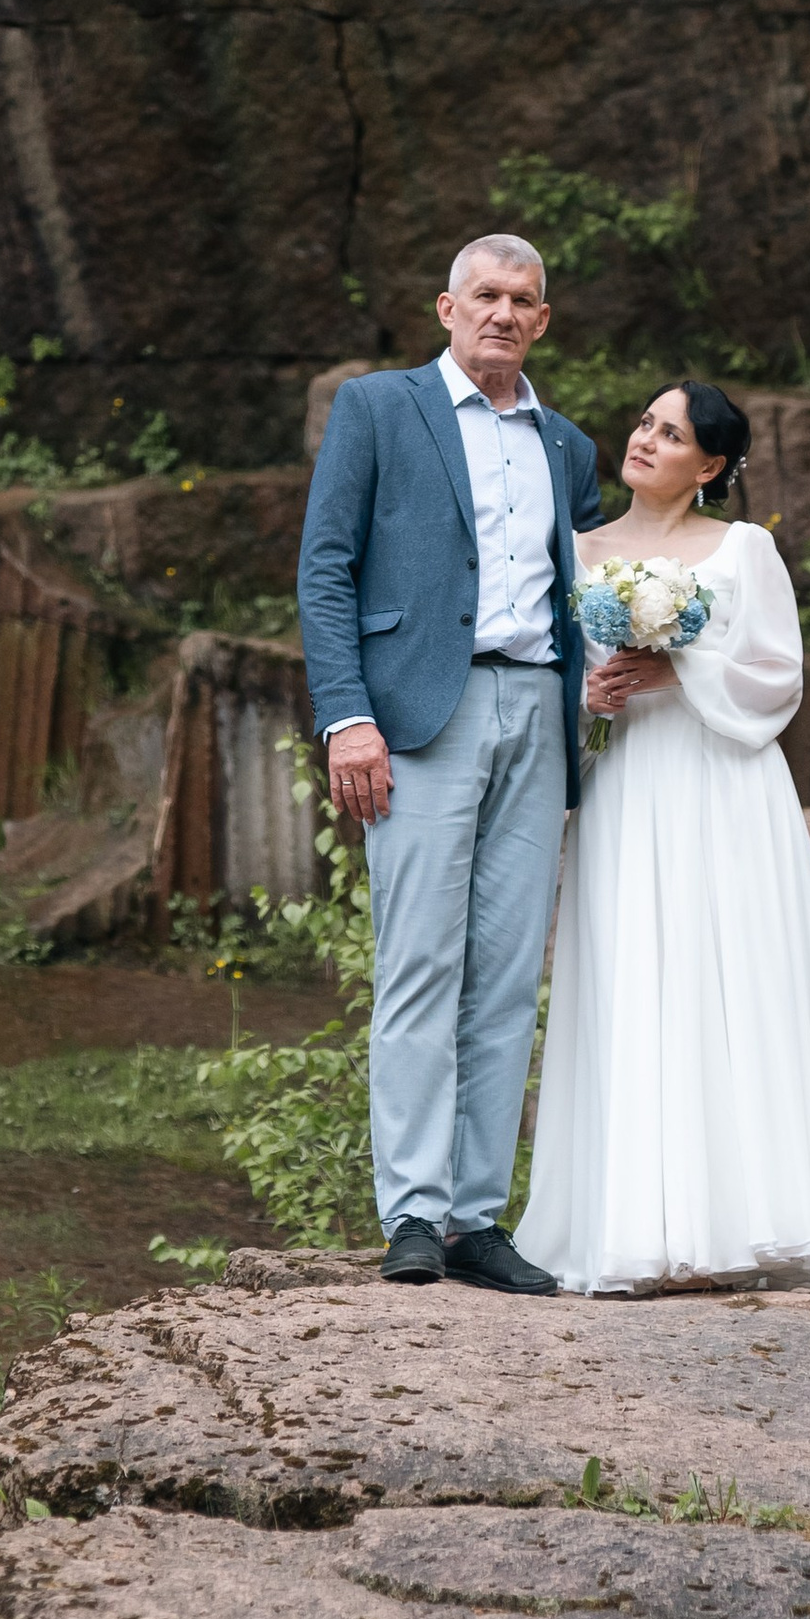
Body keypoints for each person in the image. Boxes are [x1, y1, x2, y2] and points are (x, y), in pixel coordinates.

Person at [513, 380, 810, 1294]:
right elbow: (548, 674)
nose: (645, 439)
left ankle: (748, 1223)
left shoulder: (744, 549)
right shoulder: (579, 550)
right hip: (626, 785)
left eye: (672, 434)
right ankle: (636, 1230)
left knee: (733, 979)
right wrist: (588, 695)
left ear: (711, 465)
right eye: (645, 422)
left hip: (724, 785)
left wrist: (679, 670)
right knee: (633, 977)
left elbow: (778, 676)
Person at [297, 235, 601, 1291]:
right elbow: (325, 566)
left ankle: (477, 1218)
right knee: (420, 965)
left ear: (542, 321)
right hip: (421, 714)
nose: (502, 314)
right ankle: (414, 1213)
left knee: (508, 977)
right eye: (485, 296)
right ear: (446, 307)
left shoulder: (567, 446)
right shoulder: (379, 408)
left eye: (522, 300)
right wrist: (347, 717)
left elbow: (591, 584)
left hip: (539, 710)